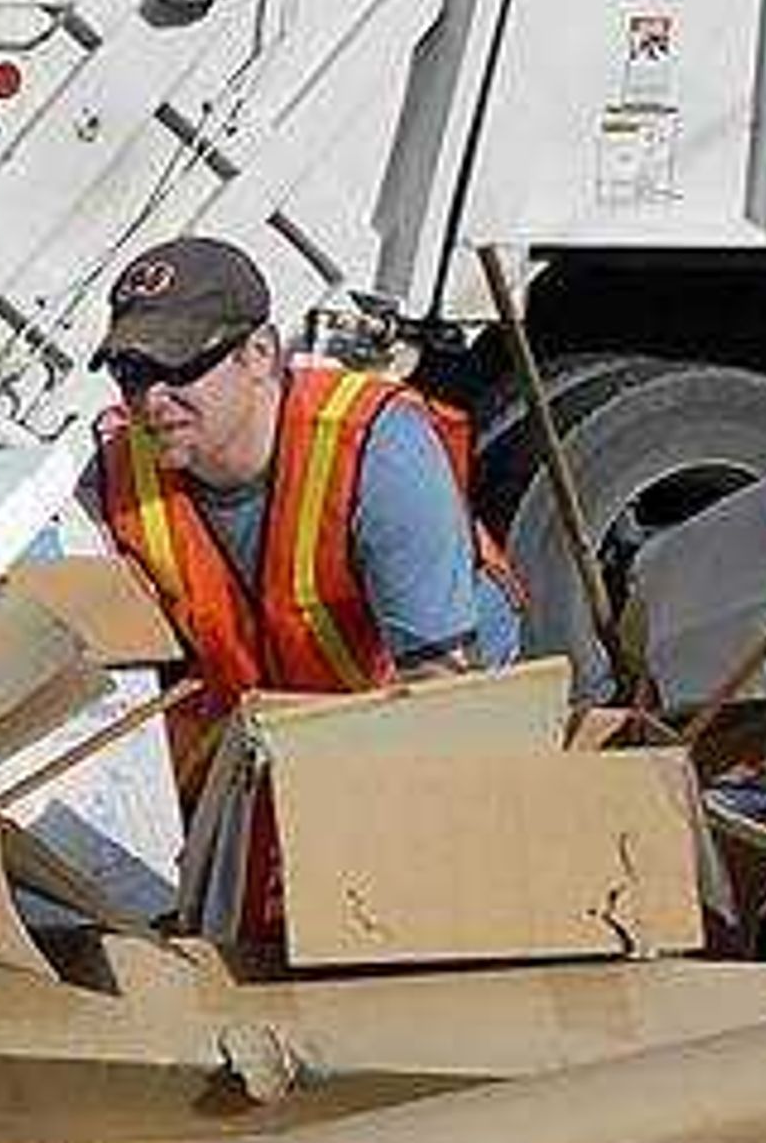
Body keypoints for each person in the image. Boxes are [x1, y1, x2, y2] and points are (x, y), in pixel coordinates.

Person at [89, 234, 526, 755]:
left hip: (406, 721)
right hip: (270, 736)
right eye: (131, 373)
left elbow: (444, 696)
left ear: (259, 354)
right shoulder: (118, 478)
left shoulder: (375, 449)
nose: (151, 398)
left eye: (178, 366)